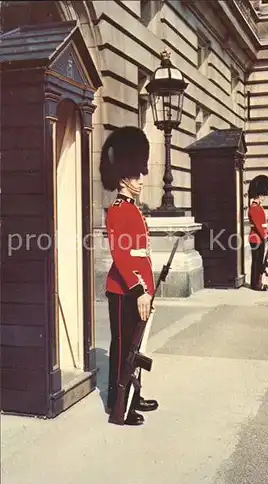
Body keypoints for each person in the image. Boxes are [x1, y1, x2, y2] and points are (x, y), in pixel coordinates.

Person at [99, 126, 158, 426]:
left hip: (139, 289)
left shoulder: (133, 210)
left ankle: (134, 396)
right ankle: (118, 406)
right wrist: (140, 291)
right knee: (124, 347)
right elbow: (122, 257)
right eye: (137, 175)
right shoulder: (118, 211)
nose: (141, 179)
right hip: (124, 291)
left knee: (138, 346)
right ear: (124, 177)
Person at [248, 174, 268, 291]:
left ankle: (258, 282)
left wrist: (267, 236)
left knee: (259, 261)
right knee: (257, 262)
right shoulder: (255, 208)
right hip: (256, 238)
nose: (264, 197)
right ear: (258, 195)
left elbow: (263, 227)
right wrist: (267, 240)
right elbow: (259, 227)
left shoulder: (258, 207)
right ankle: (256, 284)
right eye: (263, 195)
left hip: (258, 238)